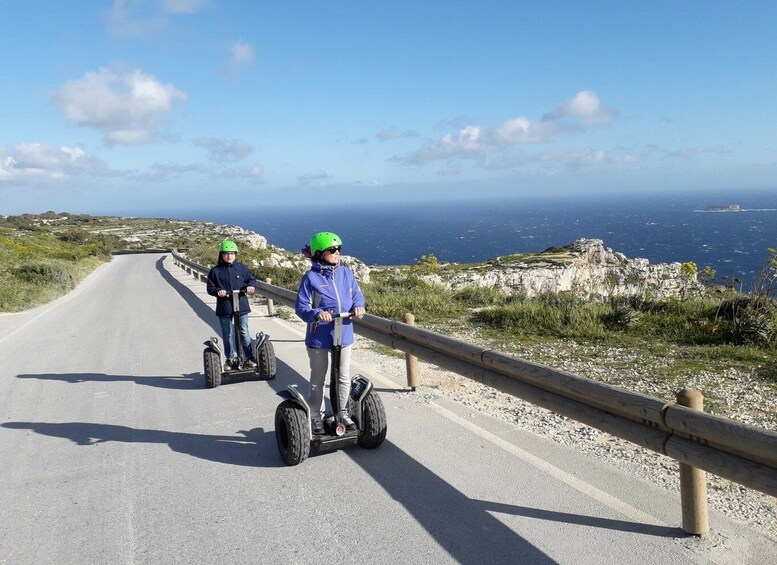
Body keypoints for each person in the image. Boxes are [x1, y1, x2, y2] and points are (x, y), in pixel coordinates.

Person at [295, 231, 365, 434]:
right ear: (319, 253)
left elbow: (357, 295)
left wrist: (359, 306)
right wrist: (317, 314)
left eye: (338, 249)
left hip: (344, 332)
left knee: (343, 376)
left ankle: (341, 413)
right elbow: (301, 308)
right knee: (319, 378)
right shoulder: (311, 278)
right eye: (332, 250)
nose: (337, 253)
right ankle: (316, 416)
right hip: (319, 335)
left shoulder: (346, 273)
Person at [206, 240, 257, 370]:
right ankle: (230, 358)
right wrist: (218, 291)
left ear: (235, 254)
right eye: (226, 253)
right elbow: (210, 288)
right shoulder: (215, 271)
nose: (229, 256)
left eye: (232, 253)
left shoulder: (242, 268)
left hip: (241, 304)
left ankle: (249, 357)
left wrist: (251, 287)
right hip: (225, 306)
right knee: (227, 333)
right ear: (221, 255)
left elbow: (251, 279)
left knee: (244, 331)